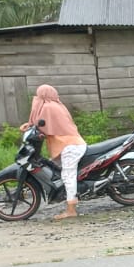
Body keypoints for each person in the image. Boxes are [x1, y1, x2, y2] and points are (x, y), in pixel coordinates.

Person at [20, 84, 85, 220]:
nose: (37, 98)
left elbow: (42, 124)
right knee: (56, 170)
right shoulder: (57, 105)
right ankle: (64, 196)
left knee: (68, 175)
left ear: (43, 94)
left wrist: (33, 127)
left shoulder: (48, 107)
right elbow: (43, 123)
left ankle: (71, 210)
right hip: (70, 143)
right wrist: (31, 125)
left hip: (69, 146)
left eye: (39, 94)